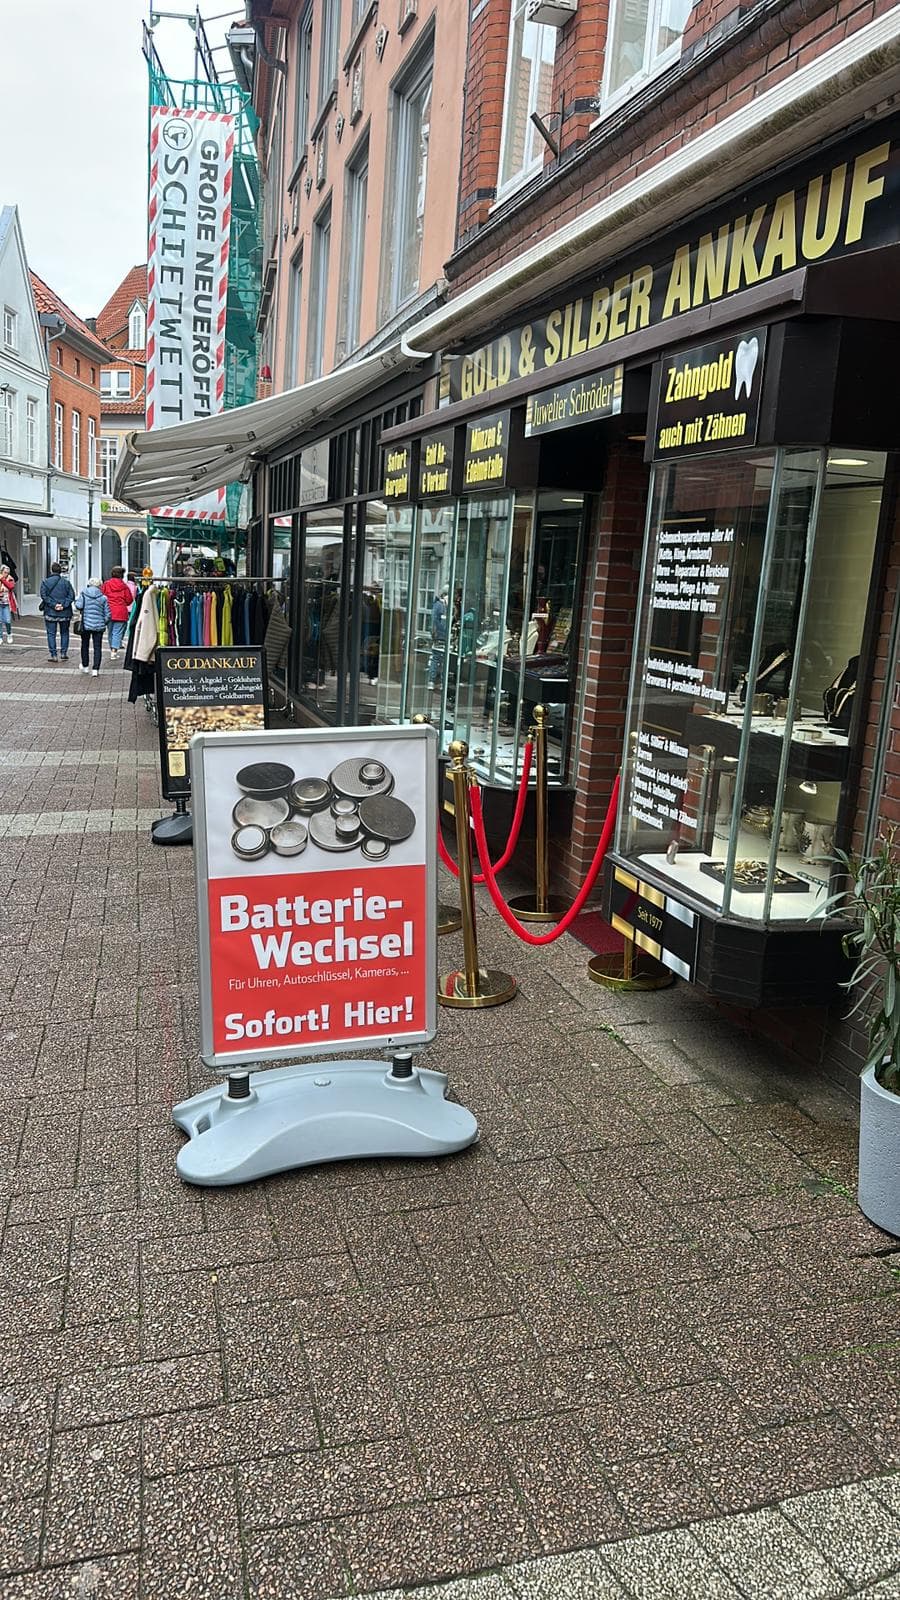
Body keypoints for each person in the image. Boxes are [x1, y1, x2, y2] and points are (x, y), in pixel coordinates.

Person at [74, 578, 111, 677]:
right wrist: (104, 621)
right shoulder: (103, 597)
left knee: (84, 645)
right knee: (97, 647)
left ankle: (85, 666)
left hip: (86, 624)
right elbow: (108, 614)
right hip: (99, 625)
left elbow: (78, 606)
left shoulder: (84, 594)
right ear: (100, 585)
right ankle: (95, 669)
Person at [40, 562, 76, 662]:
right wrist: (63, 605)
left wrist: (54, 605)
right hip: (65, 612)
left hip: (50, 612)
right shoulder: (66, 582)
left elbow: (44, 596)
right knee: (64, 632)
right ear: (60, 571)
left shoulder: (45, 582)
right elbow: (71, 596)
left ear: (51, 570)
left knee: (51, 633)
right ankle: (64, 653)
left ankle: (53, 654)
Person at [101, 566, 134, 657]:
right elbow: (129, 600)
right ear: (122, 575)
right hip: (121, 611)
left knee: (110, 631)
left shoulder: (106, 584)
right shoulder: (124, 586)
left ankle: (112, 648)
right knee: (117, 632)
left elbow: (102, 596)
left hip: (108, 610)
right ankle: (114, 651)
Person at [0, 564, 16, 643]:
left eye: (7, 572)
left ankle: (9, 634)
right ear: (1, 572)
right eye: (4, 572)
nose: (6, 574)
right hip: (0, 602)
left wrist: (3, 580)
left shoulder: (10, 579)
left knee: (7, 620)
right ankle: (0, 637)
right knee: (0, 621)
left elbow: (11, 586)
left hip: (6, 603)